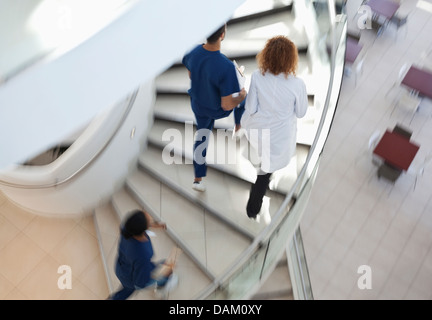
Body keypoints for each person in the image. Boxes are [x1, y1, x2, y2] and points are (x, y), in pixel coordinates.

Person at [241, 35, 308, 219]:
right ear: (291, 59)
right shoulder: (297, 84)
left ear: (266, 55)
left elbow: (250, 108)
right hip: (281, 136)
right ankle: (253, 208)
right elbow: (301, 112)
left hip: (260, 131)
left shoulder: (257, 77)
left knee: (264, 165)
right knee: (265, 172)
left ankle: (254, 205)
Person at [182, 24, 247, 192]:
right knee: (243, 99)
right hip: (217, 109)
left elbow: (190, 72)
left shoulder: (192, 52)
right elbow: (226, 104)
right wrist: (240, 95)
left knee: (201, 137)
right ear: (222, 35)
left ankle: (197, 179)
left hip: (198, 105)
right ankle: (238, 126)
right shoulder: (226, 67)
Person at [110, 209, 177, 300]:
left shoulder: (126, 228)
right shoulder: (142, 254)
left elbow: (137, 225)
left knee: (126, 289)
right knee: (163, 271)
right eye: (149, 220)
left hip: (121, 268)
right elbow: (141, 282)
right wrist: (164, 274)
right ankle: (162, 283)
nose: (151, 219)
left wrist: (155, 225)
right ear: (143, 229)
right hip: (133, 279)